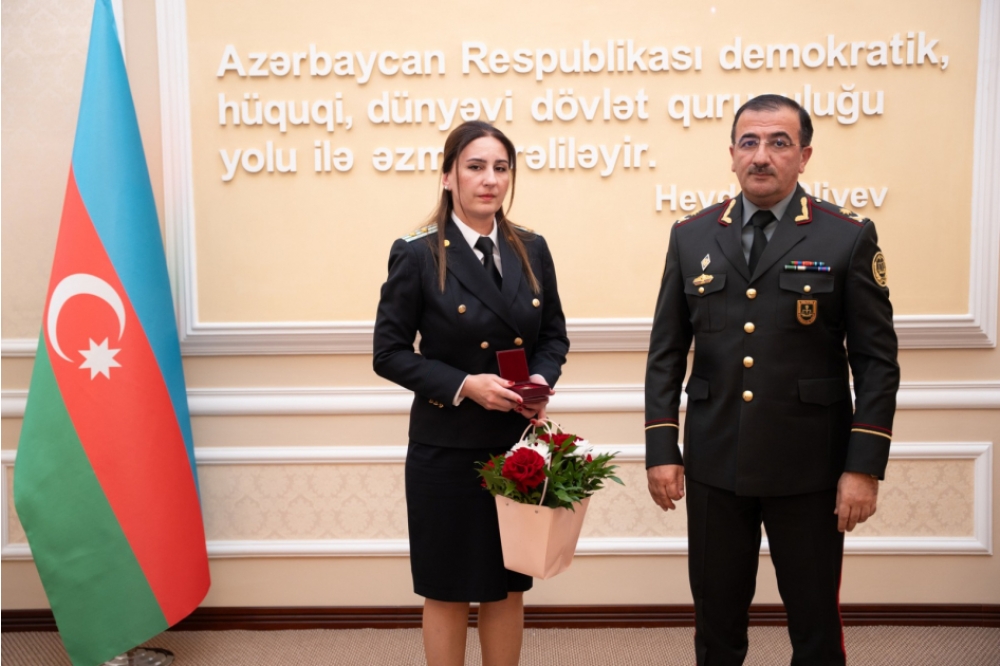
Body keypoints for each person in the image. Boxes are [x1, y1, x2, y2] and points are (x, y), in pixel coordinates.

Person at [644, 94, 899, 665]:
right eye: (750, 142)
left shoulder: (846, 236)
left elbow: (877, 362)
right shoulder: (691, 235)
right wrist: (662, 448)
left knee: (814, 627)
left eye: (779, 142)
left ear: (804, 156)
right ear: (732, 153)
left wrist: (863, 467)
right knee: (716, 626)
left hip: (810, 467)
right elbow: (666, 352)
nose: (762, 155)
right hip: (714, 463)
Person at [373, 120, 569, 666]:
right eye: (475, 167)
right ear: (448, 176)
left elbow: (554, 335)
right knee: (448, 587)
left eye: (501, 168)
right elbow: (388, 352)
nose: (490, 180)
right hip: (446, 446)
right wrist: (465, 385)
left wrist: (539, 381)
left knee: (507, 585)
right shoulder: (417, 253)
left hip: (515, 446)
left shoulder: (531, 247)